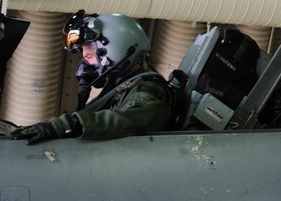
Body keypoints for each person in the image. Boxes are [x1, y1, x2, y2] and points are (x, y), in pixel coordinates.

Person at [10, 12, 175, 144]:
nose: (85, 58)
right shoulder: (120, 86)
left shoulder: (147, 88)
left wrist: (69, 124)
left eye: (89, 50)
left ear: (116, 46)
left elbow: (136, 118)